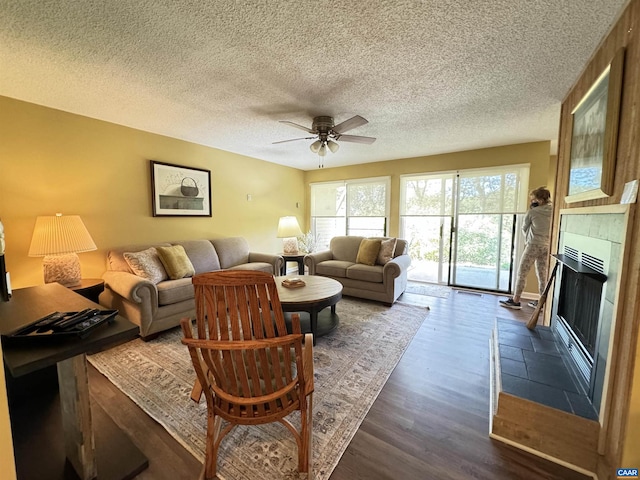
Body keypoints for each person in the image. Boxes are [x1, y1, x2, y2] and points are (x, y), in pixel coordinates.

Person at [500, 186, 552, 309]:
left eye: (533, 199)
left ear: (539, 200)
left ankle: (516, 300)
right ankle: (542, 303)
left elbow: (524, 228)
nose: (531, 201)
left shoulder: (533, 212)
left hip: (533, 245)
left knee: (522, 272)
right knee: (542, 274)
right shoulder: (554, 210)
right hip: (547, 246)